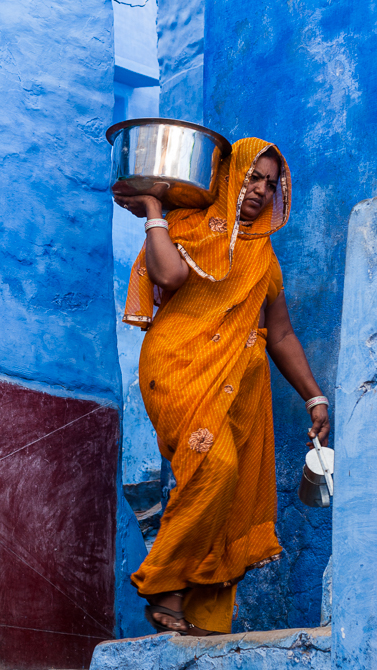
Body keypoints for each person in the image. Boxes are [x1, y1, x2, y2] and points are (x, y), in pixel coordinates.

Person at [113, 137, 330, 637]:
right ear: (232, 175)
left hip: (238, 384)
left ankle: (203, 617)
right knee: (216, 464)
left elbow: (280, 334)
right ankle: (163, 581)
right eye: (252, 177)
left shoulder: (263, 257)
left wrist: (313, 395)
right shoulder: (188, 224)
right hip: (178, 364)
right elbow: (167, 274)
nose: (259, 190)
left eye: (270, 184)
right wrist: (153, 209)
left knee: (233, 491)